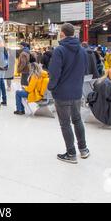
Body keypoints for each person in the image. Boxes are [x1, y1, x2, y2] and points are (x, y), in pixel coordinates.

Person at [48, 23, 89, 164]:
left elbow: (54, 72)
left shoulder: (60, 50)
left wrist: (52, 87)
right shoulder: (83, 50)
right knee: (77, 120)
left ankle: (71, 153)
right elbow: (85, 70)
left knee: (65, 123)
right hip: (77, 92)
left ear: (63, 33)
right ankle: (83, 149)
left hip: (62, 93)